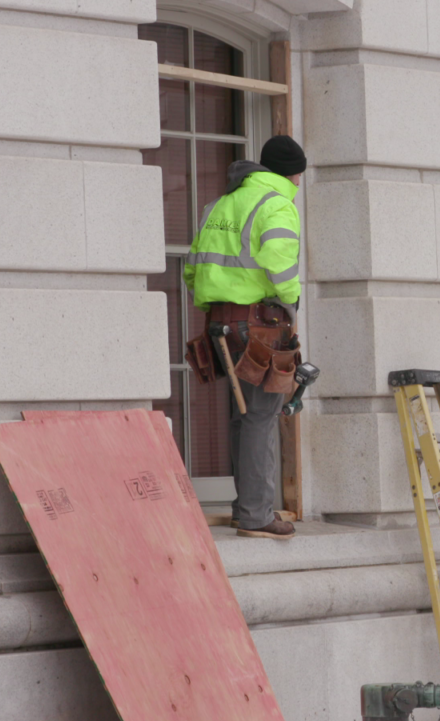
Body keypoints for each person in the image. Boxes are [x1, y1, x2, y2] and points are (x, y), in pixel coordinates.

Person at [184, 135, 306, 539]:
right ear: (293, 174)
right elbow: (279, 263)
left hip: (220, 325)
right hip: (257, 324)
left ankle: (244, 508)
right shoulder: (277, 204)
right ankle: (256, 515)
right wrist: (291, 302)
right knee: (260, 417)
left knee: (243, 417)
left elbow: (191, 268)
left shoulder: (219, 204)